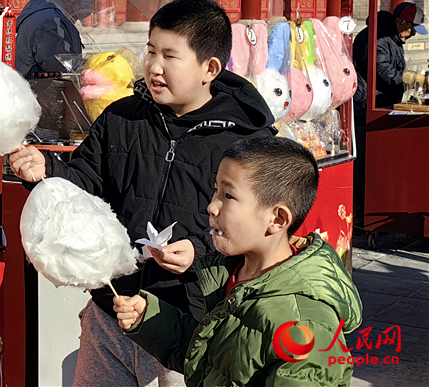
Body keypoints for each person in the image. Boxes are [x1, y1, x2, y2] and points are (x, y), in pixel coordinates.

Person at [10, 0, 276, 386]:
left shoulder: (244, 144)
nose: (154, 66)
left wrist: (199, 251)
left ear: (210, 68)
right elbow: (85, 183)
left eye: (170, 56)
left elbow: (258, 231)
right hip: (112, 308)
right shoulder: (121, 117)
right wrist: (45, 169)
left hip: (187, 323)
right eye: (151, 51)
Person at [114, 137, 363, 386]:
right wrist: (151, 319)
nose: (212, 206)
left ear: (277, 219)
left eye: (228, 195)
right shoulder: (231, 272)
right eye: (215, 191)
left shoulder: (305, 325)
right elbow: (213, 360)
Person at [352, 2, 426, 227]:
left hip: (384, 103)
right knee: (364, 164)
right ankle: (360, 216)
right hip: (367, 106)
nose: (412, 34)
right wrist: (413, 80)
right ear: (401, 22)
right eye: (411, 29)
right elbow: (384, 72)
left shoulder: (393, 39)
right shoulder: (376, 39)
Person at [15, 0, 90, 79]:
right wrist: (91, 65)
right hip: (39, 87)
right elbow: (58, 64)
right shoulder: (49, 20)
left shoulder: (51, 14)